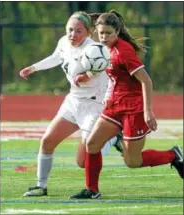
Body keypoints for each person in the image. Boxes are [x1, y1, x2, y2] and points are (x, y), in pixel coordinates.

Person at [70, 10, 184, 199]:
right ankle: (92, 190)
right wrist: (87, 75)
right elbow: (107, 67)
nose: (104, 37)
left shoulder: (124, 51)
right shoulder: (103, 49)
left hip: (134, 109)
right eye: (101, 33)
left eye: (108, 33)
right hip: (115, 106)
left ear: (117, 32)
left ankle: (173, 155)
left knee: (132, 161)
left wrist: (148, 112)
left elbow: (146, 81)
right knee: (92, 144)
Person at [19, 11, 123, 197]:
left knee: (83, 161)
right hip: (73, 101)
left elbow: (106, 70)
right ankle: (41, 186)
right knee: (47, 141)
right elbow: (55, 58)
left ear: (89, 32)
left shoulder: (95, 48)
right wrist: (33, 67)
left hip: (93, 105)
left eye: (78, 31)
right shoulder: (64, 42)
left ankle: (112, 138)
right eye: (70, 29)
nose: (72, 34)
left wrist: (88, 76)